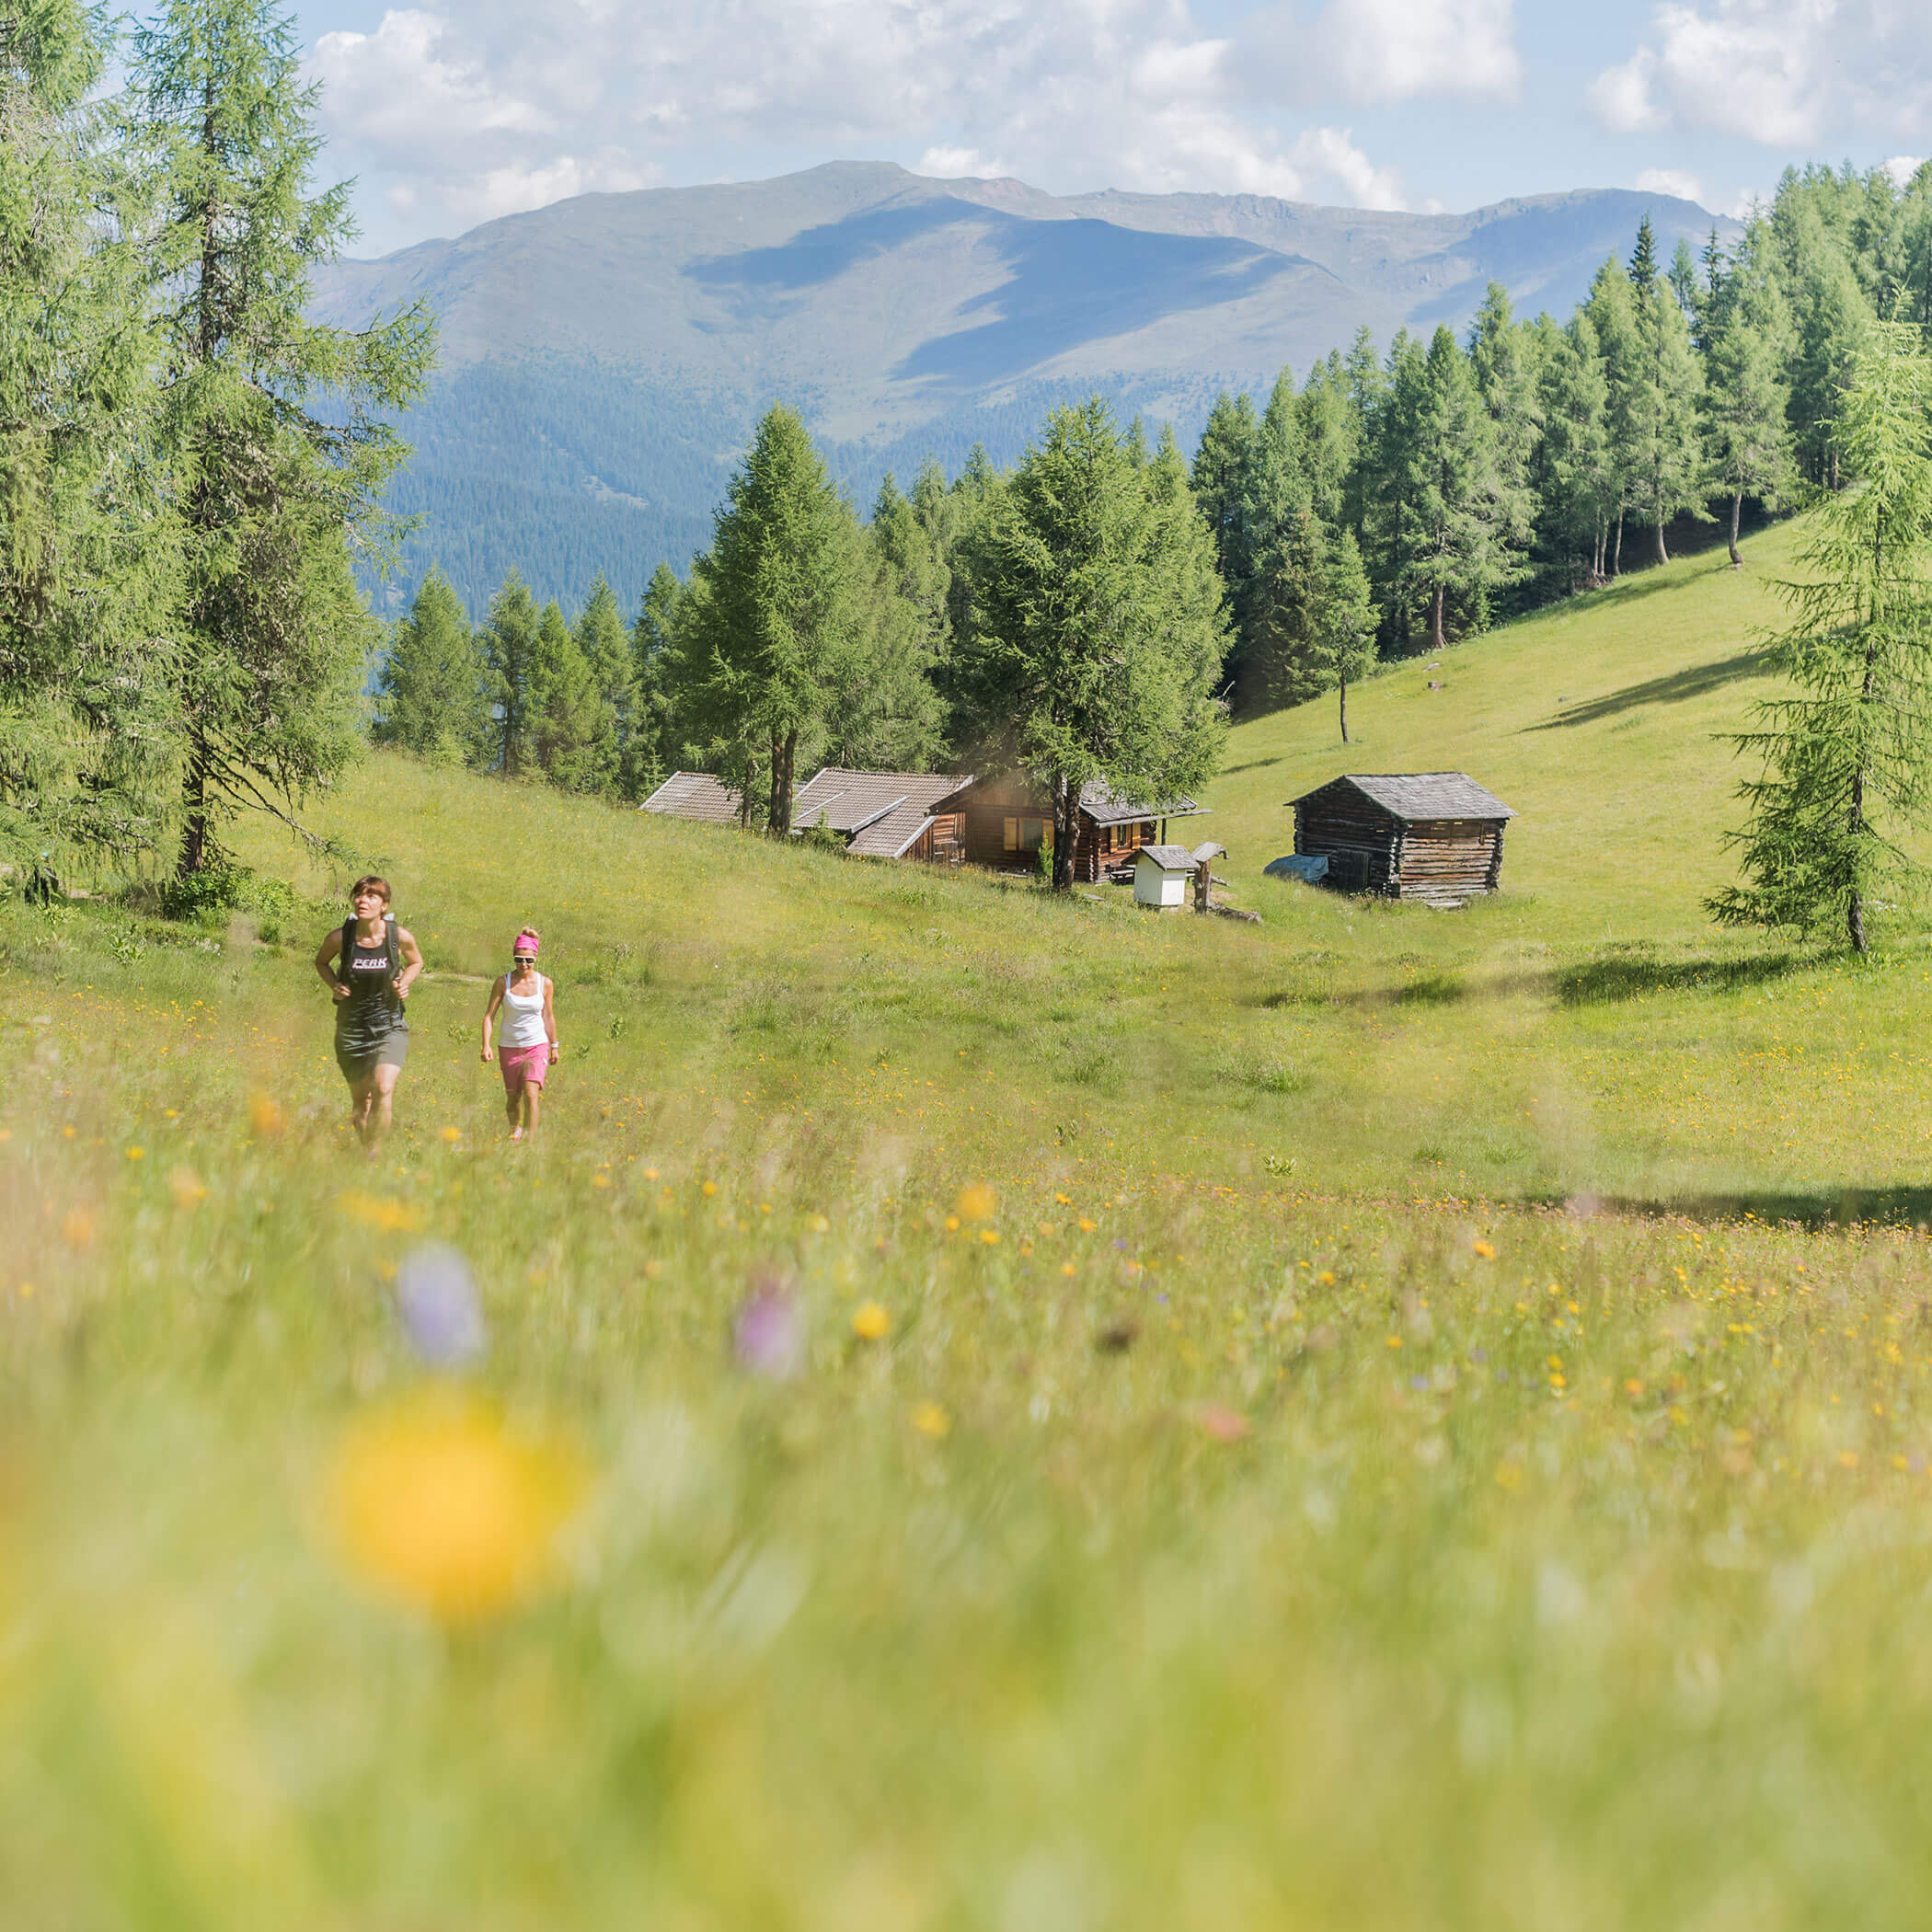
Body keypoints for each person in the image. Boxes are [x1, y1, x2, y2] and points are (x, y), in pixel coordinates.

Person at [314, 875, 422, 1152]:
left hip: (389, 1025)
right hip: (351, 1029)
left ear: (384, 905)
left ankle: (377, 1153)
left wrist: (404, 983)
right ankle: (367, 1152)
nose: (363, 900)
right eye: (359, 895)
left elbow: (416, 962)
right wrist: (335, 985)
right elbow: (321, 962)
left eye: (371, 896)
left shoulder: (399, 937)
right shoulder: (340, 938)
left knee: (383, 1088)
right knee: (362, 1102)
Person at [480, 928, 558, 1140]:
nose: (523, 964)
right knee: (513, 1098)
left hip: (536, 1044)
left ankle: (530, 1143)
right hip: (509, 1046)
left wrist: (554, 1045)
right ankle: (515, 1132)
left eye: (528, 960)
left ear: (535, 958)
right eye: (518, 959)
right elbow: (489, 1016)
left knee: (531, 1095)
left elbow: (548, 1017)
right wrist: (486, 1044)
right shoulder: (502, 983)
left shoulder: (545, 984)